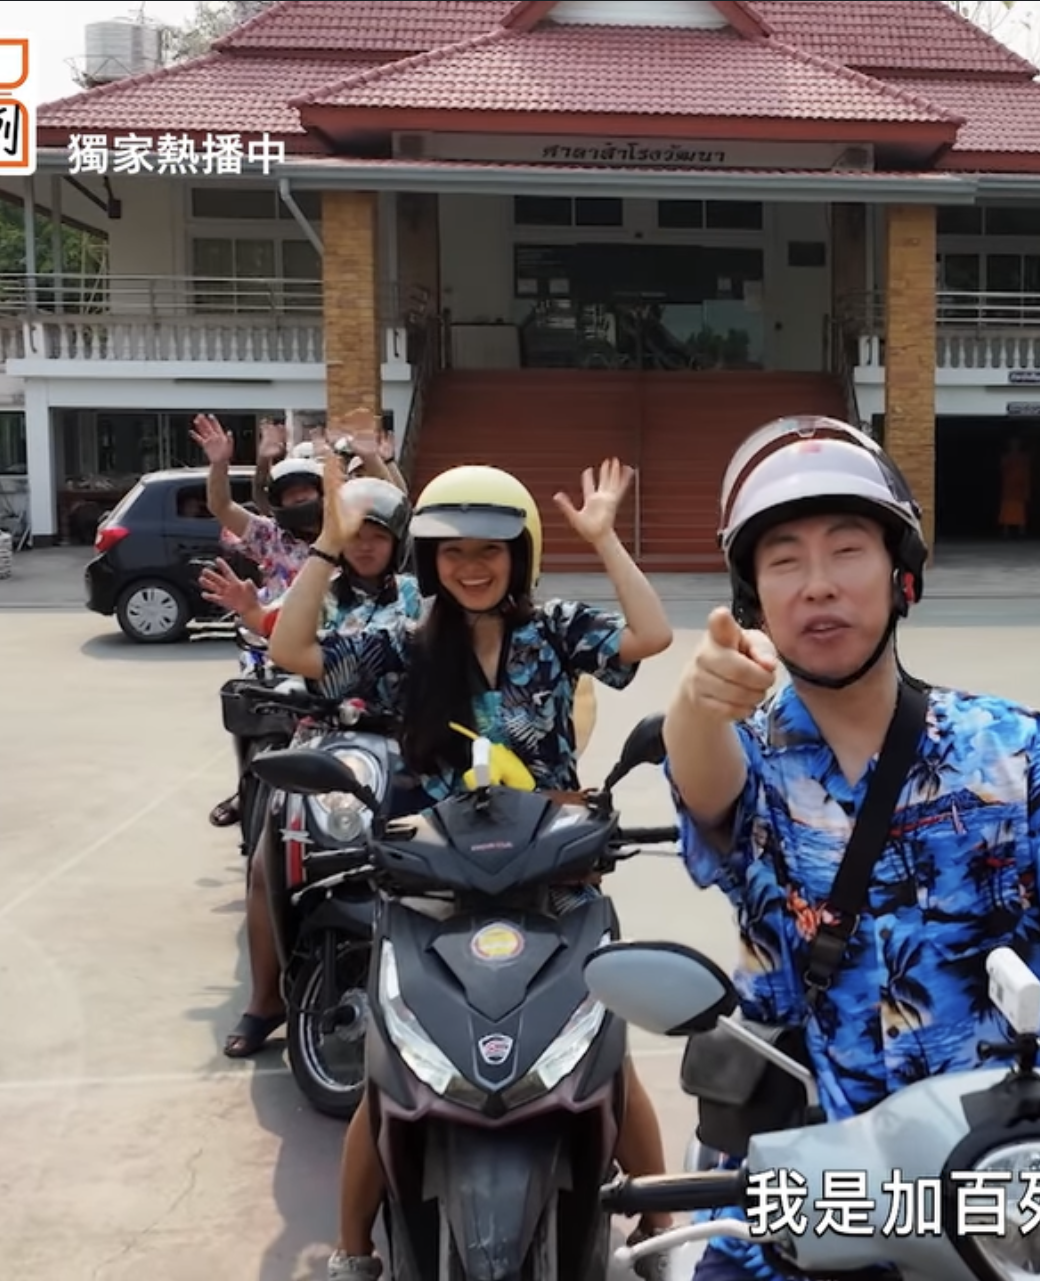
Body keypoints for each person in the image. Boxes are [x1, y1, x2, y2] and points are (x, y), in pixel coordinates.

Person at [663, 416, 1040, 1281]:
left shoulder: (1005, 747)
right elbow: (702, 779)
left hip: (1006, 1188)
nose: (818, 584)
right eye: (783, 561)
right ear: (753, 597)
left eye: (847, 549)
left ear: (901, 573)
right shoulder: (749, 751)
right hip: (809, 1187)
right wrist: (697, 700)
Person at [267, 454, 680, 1281]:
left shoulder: (554, 629)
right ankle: (355, 1249)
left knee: (601, 1055)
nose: (471, 566)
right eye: (451, 552)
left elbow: (650, 635)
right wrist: (327, 546)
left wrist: (604, 539)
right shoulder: (404, 643)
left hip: (554, 875)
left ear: (519, 555)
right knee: (393, 1065)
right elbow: (292, 647)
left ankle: (658, 1226)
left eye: (489, 549)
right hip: (434, 882)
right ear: (429, 563)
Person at [199, 474, 420, 1060]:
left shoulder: (419, 598)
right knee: (265, 862)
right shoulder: (315, 589)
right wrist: (252, 611)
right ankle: (265, 1000)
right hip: (321, 742)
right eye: (355, 534)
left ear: (398, 541)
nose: (365, 546)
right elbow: (280, 631)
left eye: (378, 535)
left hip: (401, 748)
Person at [193, 412, 326, 831]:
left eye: (307, 493)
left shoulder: (343, 539)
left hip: (325, 647)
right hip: (268, 645)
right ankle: (244, 786)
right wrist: (219, 464)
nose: (300, 501)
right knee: (244, 705)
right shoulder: (270, 537)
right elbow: (221, 506)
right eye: (291, 496)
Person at [996, 435, 1031, 537]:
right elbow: (1002, 468)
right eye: (1013, 444)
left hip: (1020, 486)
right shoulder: (1006, 457)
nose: (1015, 445)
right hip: (1009, 486)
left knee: (1020, 509)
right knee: (1007, 507)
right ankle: (1006, 529)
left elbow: (1026, 471)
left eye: (1016, 444)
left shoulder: (1024, 457)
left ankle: (1021, 529)